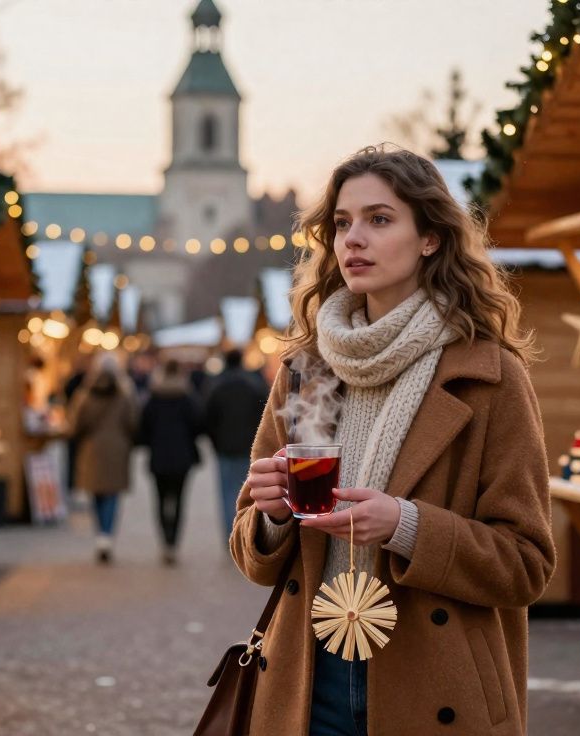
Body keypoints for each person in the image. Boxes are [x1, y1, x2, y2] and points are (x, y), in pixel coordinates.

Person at [230, 145, 555, 735]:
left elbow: (526, 566)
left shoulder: (488, 375)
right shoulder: (307, 371)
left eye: (380, 220)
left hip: (436, 683)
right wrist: (271, 515)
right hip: (308, 678)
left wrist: (406, 526)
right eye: (342, 223)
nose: (354, 239)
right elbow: (251, 555)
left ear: (430, 237)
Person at [69, 354, 139, 564]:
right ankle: (106, 536)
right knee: (112, 495)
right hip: (117, 450)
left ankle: (101, 534)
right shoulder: (125, 395)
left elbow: (75, 425)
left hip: (91, 450)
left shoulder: (84, 395)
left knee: (96, 493)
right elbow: (133, 422)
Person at [138, 360, 202, 565]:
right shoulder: (186, 397)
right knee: (179, 499)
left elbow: (143, 428)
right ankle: (174, 541)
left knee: (160, 499)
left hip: (158, 457)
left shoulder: (153, 397)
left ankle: (165, 540)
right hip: (183, 457)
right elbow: (198, 424)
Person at [202, 349, 268, 540]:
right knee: (249, 491)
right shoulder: (254, 384)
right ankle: (245, 531)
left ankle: (231, 533)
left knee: (226, 492)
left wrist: (215, 442)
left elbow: (208, 419)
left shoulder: (216, 385)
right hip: (249, 446)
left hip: (225, 447)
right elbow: (263, 415)